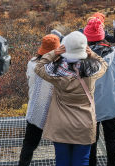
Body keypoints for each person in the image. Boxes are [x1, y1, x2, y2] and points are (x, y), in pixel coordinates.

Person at [34, 31, 107, 166]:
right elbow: (104, 64)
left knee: (62, 161)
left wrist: (54, 53)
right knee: (82, 161)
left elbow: (38, 67)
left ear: (65, 48)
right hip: (84, 124)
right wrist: (91, 53)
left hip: (61, 124)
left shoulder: (55, 70)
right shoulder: (92, 69)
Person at [84, 17, 115, 166]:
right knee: (111, 138)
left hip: (89, 108)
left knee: (91, 141)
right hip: (110, 104)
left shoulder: (82, 57)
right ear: (102, 36)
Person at [18, 34, 60, 166]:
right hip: (56, 112)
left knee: (29, 145)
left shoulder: (32, 63)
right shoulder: (60, 67)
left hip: (36, 109)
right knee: (60, 147)